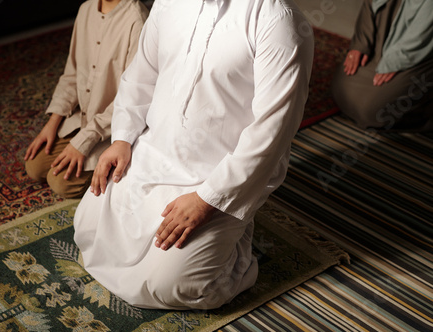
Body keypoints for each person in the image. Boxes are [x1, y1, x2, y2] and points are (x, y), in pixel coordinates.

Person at [74, 0, 314, 310]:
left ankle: (238, 255)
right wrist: (121, 139)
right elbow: (141, 76)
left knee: (174, 287)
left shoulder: (278, 20)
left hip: (213, 179)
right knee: (86, 230)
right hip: (151, 155)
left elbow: (273, 130)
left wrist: (207, 199)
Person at [24, 0, 149, 198]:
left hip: (112, 132)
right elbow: (72, 74)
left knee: (61, 184)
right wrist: (52, 123)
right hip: (80, 119)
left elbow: (131, 98)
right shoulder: (86, 9)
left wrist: (83, 141)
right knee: (35, 167)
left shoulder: (137, 20)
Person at [331, 0, 433, 131]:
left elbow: (423, 33)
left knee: (374, 110)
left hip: (421, 53)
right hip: (385, 44)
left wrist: (396, 61)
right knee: (341, 88)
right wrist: (361, 43)